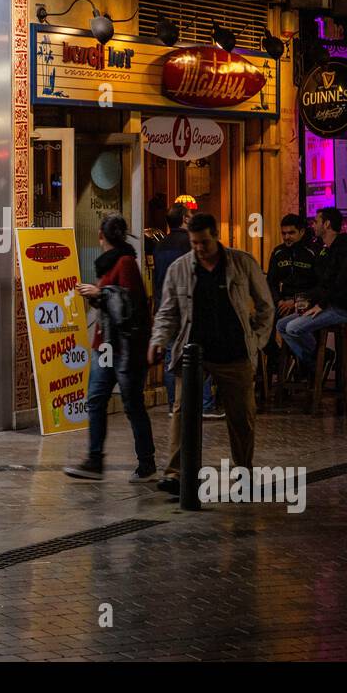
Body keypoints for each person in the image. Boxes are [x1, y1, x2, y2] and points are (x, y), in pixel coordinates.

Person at [148, 213, 274, 498]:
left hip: (235, 352)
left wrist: (256, 341)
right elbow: (167, 311)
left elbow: (266, 305)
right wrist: (158, 340)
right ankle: (175, 473)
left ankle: (244, 472)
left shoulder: (242, 264)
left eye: (204, 242)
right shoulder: (181, 269)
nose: (200, 248)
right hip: (193, 354)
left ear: (216, 235)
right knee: (182, 412)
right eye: (194, 243)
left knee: (242, 417)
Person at [64, 215, 158, 482]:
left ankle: (147, 463)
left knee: (132, 404)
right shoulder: (109, 264)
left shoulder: (125, 262)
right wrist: (98, 295)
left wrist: (99, 293)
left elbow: (129, 303)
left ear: (100, 236)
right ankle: (94, 460)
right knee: (95, 399)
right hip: (106, 345)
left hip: (126, 349)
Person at [276, 206, 347, 375]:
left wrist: (321, 305)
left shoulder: (346, 247)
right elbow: (323, 283)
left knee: (293, 328)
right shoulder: (326, 249)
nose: (313, 225)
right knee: (281, 325)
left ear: (327, 224)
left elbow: (341, 283)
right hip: (328, 305)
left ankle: (316, 362)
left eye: (316, 221)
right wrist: (308, 301)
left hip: (342, 309)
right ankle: (320, 359)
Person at [151, 204, 217, 418]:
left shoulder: (160, 246)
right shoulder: (190, 244)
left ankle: (174, 405)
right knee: (199, 352)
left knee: (172, 357)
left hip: (166, 306)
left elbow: (158, 279)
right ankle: (204, 404)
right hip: (188, 307)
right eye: (189, 217)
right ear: (184, 220)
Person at [266, 213, 318, 369]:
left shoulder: (313, 252)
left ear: (301, 232)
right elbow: (271, 283)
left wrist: (295, 301)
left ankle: (306, 364)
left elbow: (319, 285)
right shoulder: (278, 252)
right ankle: (280, 362)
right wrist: (279, 301)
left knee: (292, 328)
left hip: (306, 302)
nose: (286, 237)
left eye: (291, 233)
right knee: (258, 328)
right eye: (284, 233)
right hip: (282, 302)